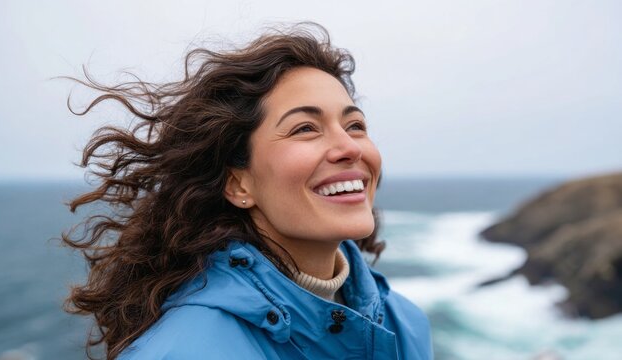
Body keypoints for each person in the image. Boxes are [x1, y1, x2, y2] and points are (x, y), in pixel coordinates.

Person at [63, 23, 433, 359]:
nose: (350, 147)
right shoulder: (183, 352)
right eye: (305, 128)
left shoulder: (407, 325)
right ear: (238, 184)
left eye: (355, 125)